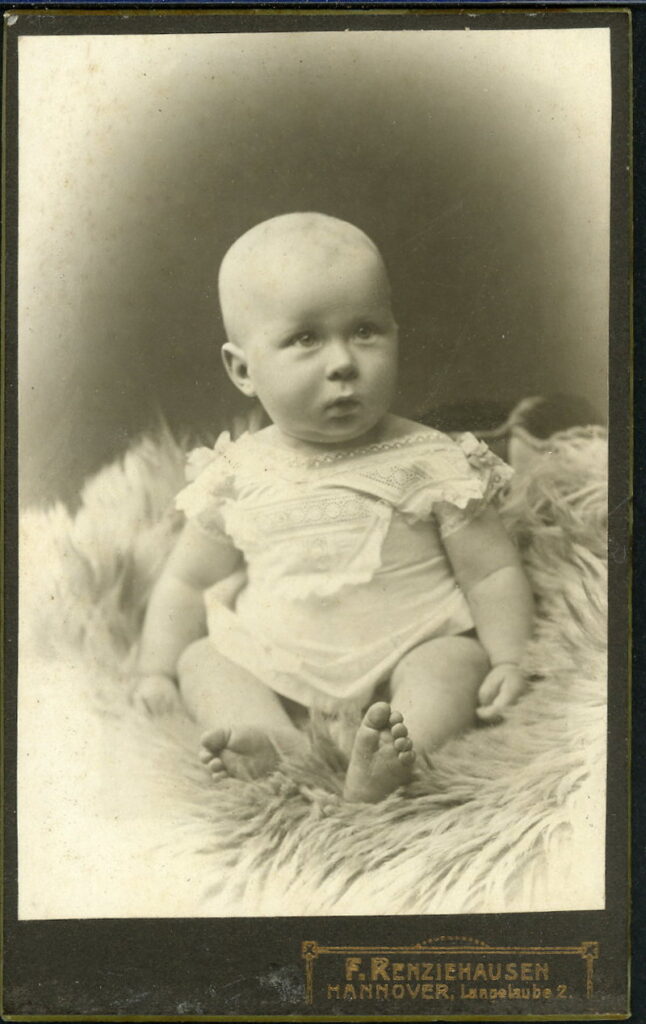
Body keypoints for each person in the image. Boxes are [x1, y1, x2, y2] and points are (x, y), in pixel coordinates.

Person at [131, 212, 534, 803]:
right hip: (276, 665)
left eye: (366, 331)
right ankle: (274, 745)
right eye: (305, 339)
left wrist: (509, 658)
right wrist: (155, 669)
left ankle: (396, 755)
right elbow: (189, 581)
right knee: (202, 660)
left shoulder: (432, 459)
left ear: (396, 333)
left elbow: (491, 570)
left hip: (408, 651)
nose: (343, 362)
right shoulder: (236, 474)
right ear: (243, 369)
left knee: (454, 662)